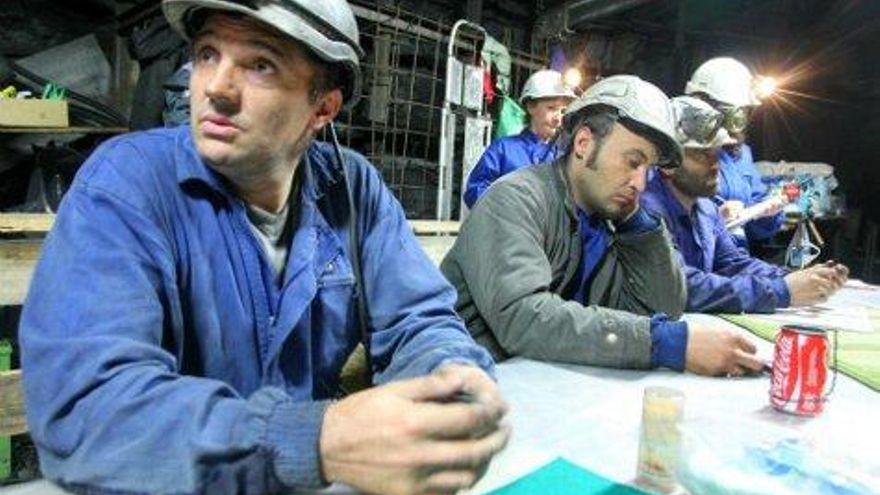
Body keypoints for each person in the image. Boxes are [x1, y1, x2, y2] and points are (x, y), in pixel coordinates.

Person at [18, 1, 509, 494]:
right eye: (207, 54)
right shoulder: (127, 185)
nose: (216, 87)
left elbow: (419, 320)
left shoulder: (352, 190)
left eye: (260, 65)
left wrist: (452, 378)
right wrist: (312, 440)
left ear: (323, 108)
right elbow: (86, 406)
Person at [441, 75, 764, 378]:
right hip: (472, 384)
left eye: (649, 169)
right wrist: (664, 343)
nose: (640, 183)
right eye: (632, 162)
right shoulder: (515, 201)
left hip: (544, 383)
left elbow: (661, 308)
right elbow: (524, 320)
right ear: (583, 143)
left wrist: (640, 228)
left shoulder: (606, 220)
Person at [641, 96, 849, 313]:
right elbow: (681, 286)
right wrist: (780, 291)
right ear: (667, 163)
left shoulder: (706, 208)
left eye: (716, 151)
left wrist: (795, 279)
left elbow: (732, 263)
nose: (715, 164)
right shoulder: (647, 211)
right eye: (702, 154)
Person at [685, 56, 784, 251]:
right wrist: (716, 217)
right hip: (699, 257)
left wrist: (769, 212)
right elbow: (670, 217)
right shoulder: (681, 152)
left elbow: (758, 228)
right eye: (740, 112)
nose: (744, 119)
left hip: (734, 257)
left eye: (746, 112)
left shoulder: (741, 154)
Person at [463, 69, 575, 208]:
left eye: (563, 111)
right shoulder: (503, 149)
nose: (558, 118)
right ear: (530, 106)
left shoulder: (562, 159)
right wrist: (507, 208)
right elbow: (474, 190)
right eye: (551, 108)